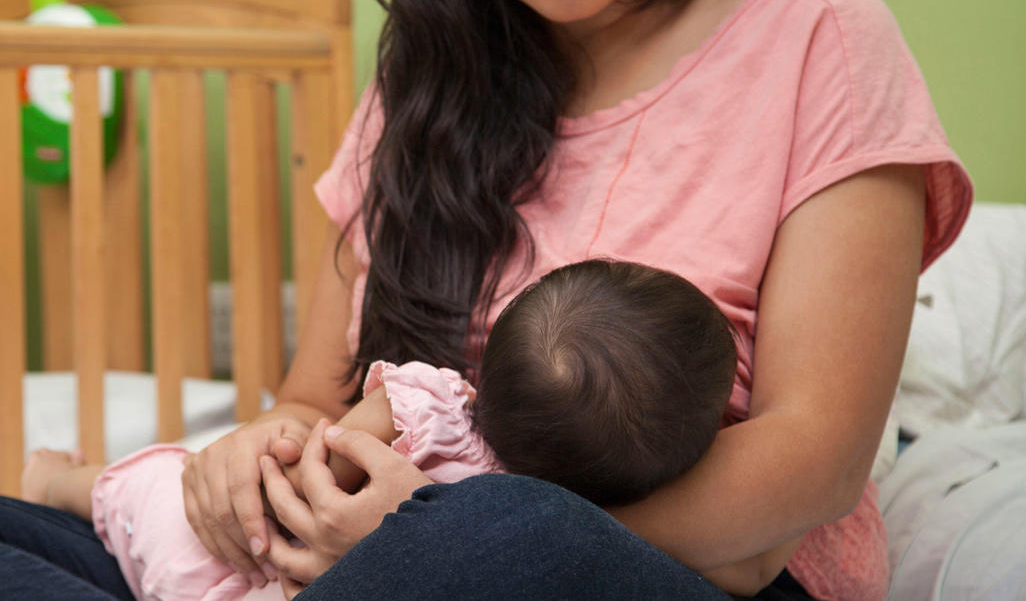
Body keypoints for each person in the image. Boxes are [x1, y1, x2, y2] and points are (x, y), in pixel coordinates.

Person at [0, 0, 973, 599]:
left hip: (631, 568)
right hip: (359, 566)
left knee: (505, 532)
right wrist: (258, 458)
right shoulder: (422, 84)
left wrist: (428, 514)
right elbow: (314, 396)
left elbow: (813, 464)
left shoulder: (823, 42)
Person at [19, 259, 743, 600]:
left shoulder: (427, 402)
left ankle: (56, 479)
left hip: (223, 550)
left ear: (488, 364)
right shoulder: (565, 508)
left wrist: (297, 496)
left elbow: (322, 453)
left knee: (150, 480)